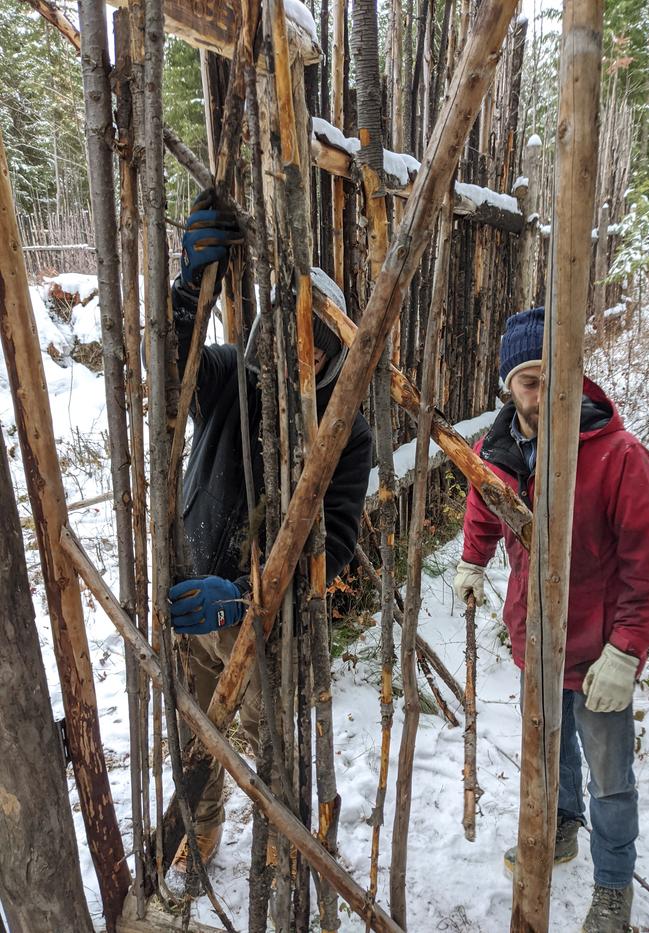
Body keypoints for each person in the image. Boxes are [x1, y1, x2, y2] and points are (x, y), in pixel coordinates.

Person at [167, 190, 373, 872]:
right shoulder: (231, 376)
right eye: (294, 329)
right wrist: (190, 291)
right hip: (186, 592)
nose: (305, 349)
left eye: (322, 334)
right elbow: (176, 366)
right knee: (191, 737)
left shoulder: (345, 430)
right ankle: (197, 837)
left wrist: (251, 595)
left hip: (261, 619)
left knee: (269, 751)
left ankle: (281, 854)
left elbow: (335, 537)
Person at [454, 307, 649, 933]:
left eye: (556, 374)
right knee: (551, 756)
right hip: (539, 641)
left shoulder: (620, 456)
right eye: (530, 379)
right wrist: (474, 559)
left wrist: (627, 649)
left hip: (601, 647)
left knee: (610, 777)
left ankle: (613, 889)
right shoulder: (497, 448)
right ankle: (559, 828)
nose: (544, 390)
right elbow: (484, 501)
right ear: (508, 386)